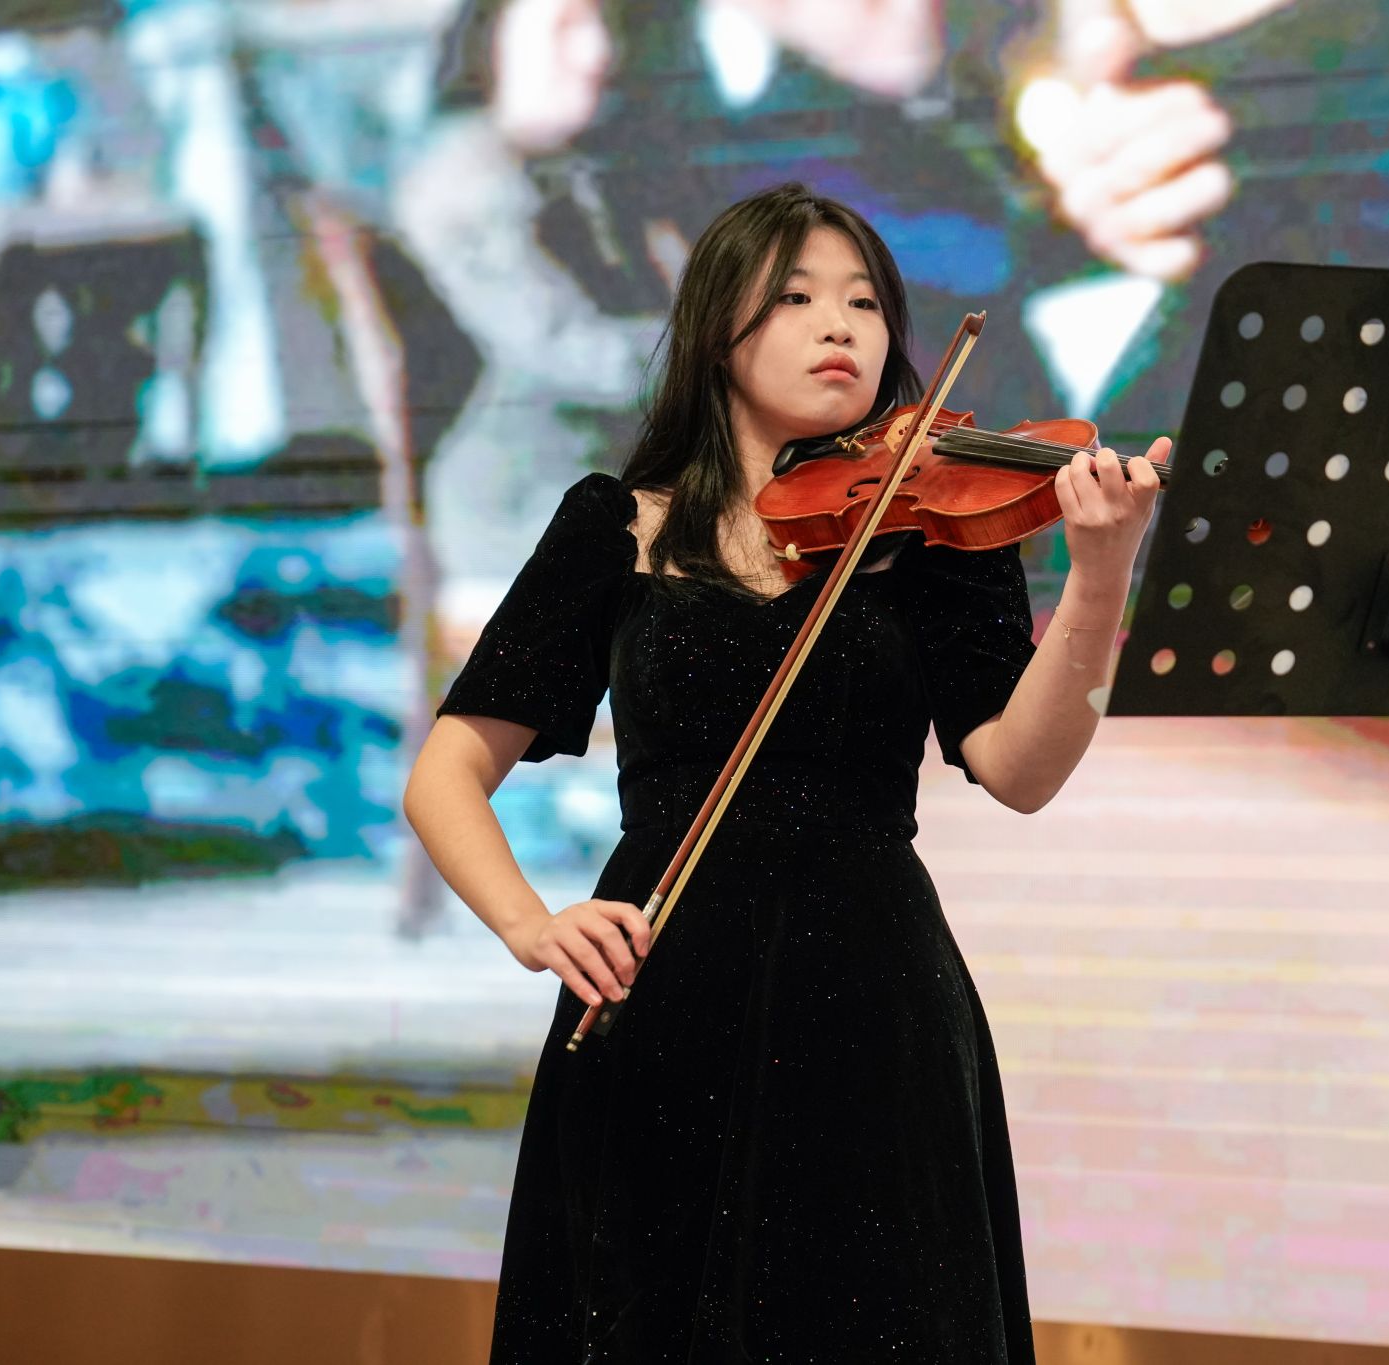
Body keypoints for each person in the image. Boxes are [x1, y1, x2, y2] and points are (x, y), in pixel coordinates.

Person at [401, 182, 1164, 1360]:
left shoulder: (926, 528)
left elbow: (1019, 768)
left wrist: (1101, 574)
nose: (840, 326)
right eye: (797, 298)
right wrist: (531, 925)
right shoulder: (616, 524)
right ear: (719, 329)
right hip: (659, 983)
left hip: (871, 990)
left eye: (864, 303)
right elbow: (445, 773)